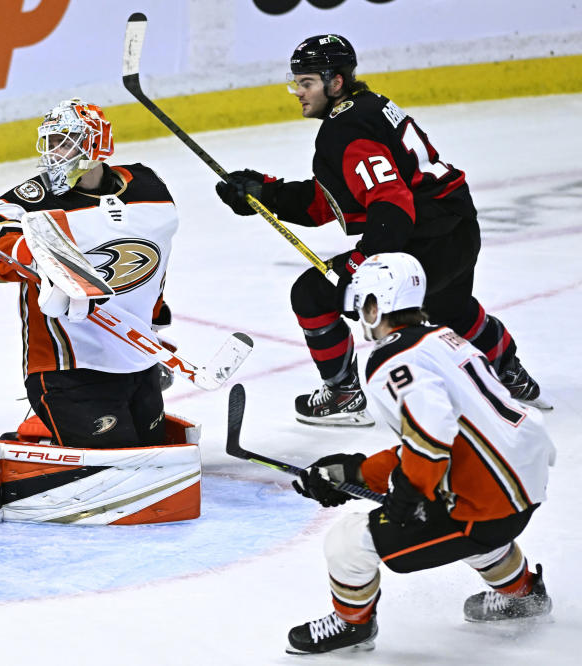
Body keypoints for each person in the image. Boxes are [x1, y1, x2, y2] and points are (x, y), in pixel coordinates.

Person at [215, 34, 546, 427]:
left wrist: (362, 261)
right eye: (297, 83)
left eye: (307, 83)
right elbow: (332, 201)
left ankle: (342, 394)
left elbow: (391, 202)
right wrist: (265, 194)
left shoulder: (345, 128)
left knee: (311, 293)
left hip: (419, 239)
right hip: (456, 229)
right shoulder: (367, 108)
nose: (298, 93)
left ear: (335, 82)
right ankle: (510, 372)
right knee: (449, 306)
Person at [286, 253, 555, 655]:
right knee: (463, 523)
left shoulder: (391, 359)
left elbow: (431, 436)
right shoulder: (444, 338)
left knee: (349, 541)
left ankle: (351, 624)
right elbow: (443, 439)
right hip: (522, 480)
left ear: (375, 305)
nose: (362, 317)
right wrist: (355, 473)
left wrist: (406, 501)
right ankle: (523, 595)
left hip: (490, 499)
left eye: (363, 306)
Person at [0, 98, 178, 448]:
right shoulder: (36, 201)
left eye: (65, 142)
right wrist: (36, 257)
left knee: (153, 451)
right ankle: (42, 430)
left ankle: (41, 431)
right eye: (50, 143)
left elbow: (155, 263)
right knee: (120, 465)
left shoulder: (148, 187)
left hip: (136, 359)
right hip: (68, 370)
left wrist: (152, 326)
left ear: (97, 143)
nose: (54, 153)